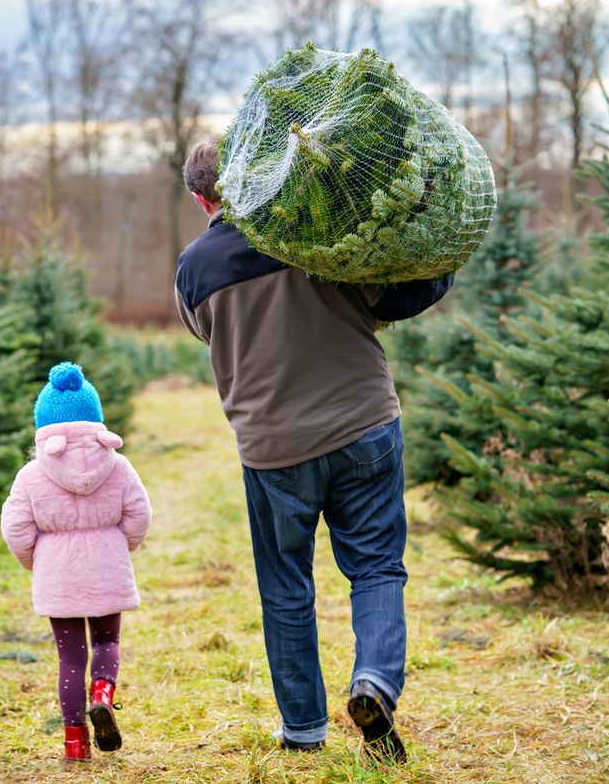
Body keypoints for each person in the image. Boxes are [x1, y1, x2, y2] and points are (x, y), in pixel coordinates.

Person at [174, 137, 453, 762]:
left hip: (274, 450)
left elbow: (206, 333)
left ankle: (303, 729)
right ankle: (375, 682)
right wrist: (441, 260)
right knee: (377, 566)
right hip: (364, 426)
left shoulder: (193, 269)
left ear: (201, 198)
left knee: (285, 586)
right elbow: (397, 299)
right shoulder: (308, 232)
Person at [0, 362, 152, 763]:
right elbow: (139, 514)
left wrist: (36, 560)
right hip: (107, 568)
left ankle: (75, 743)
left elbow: (15, 528)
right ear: (96, 419)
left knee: (70, 658)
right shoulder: (119, 466)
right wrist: (125, 545)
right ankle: (102, 693)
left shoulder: (31, 474)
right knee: (108, 641)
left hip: (58, 574)